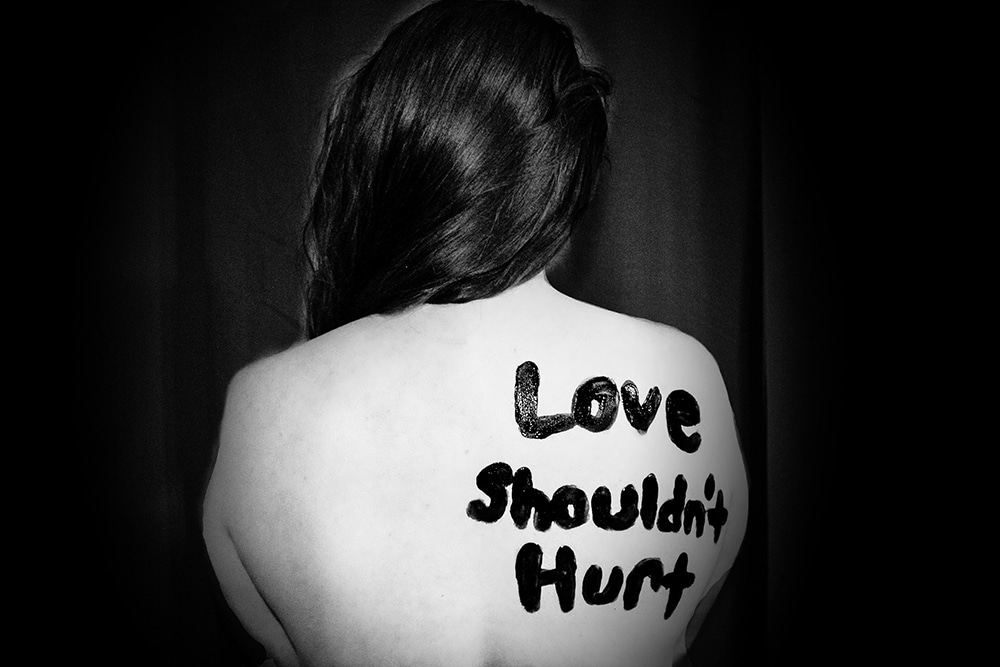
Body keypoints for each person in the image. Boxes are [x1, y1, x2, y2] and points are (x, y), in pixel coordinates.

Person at [202, 1, 749, 665]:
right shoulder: (683, 381)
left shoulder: (264, 405)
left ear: (387, 157)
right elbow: (681, 622)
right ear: (566, 169)